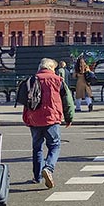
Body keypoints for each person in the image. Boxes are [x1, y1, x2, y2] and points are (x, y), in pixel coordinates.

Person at [19, 58, 74, 188]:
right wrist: (69, 118)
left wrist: (26, 118)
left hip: (34, 119)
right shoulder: (58, 80)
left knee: (37, 148)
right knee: (54, 146)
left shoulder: (32, 80)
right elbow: (68, 101)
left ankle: (37, 176)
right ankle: (48, 168)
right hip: (52, 118)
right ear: (50, 68)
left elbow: (26, 101)